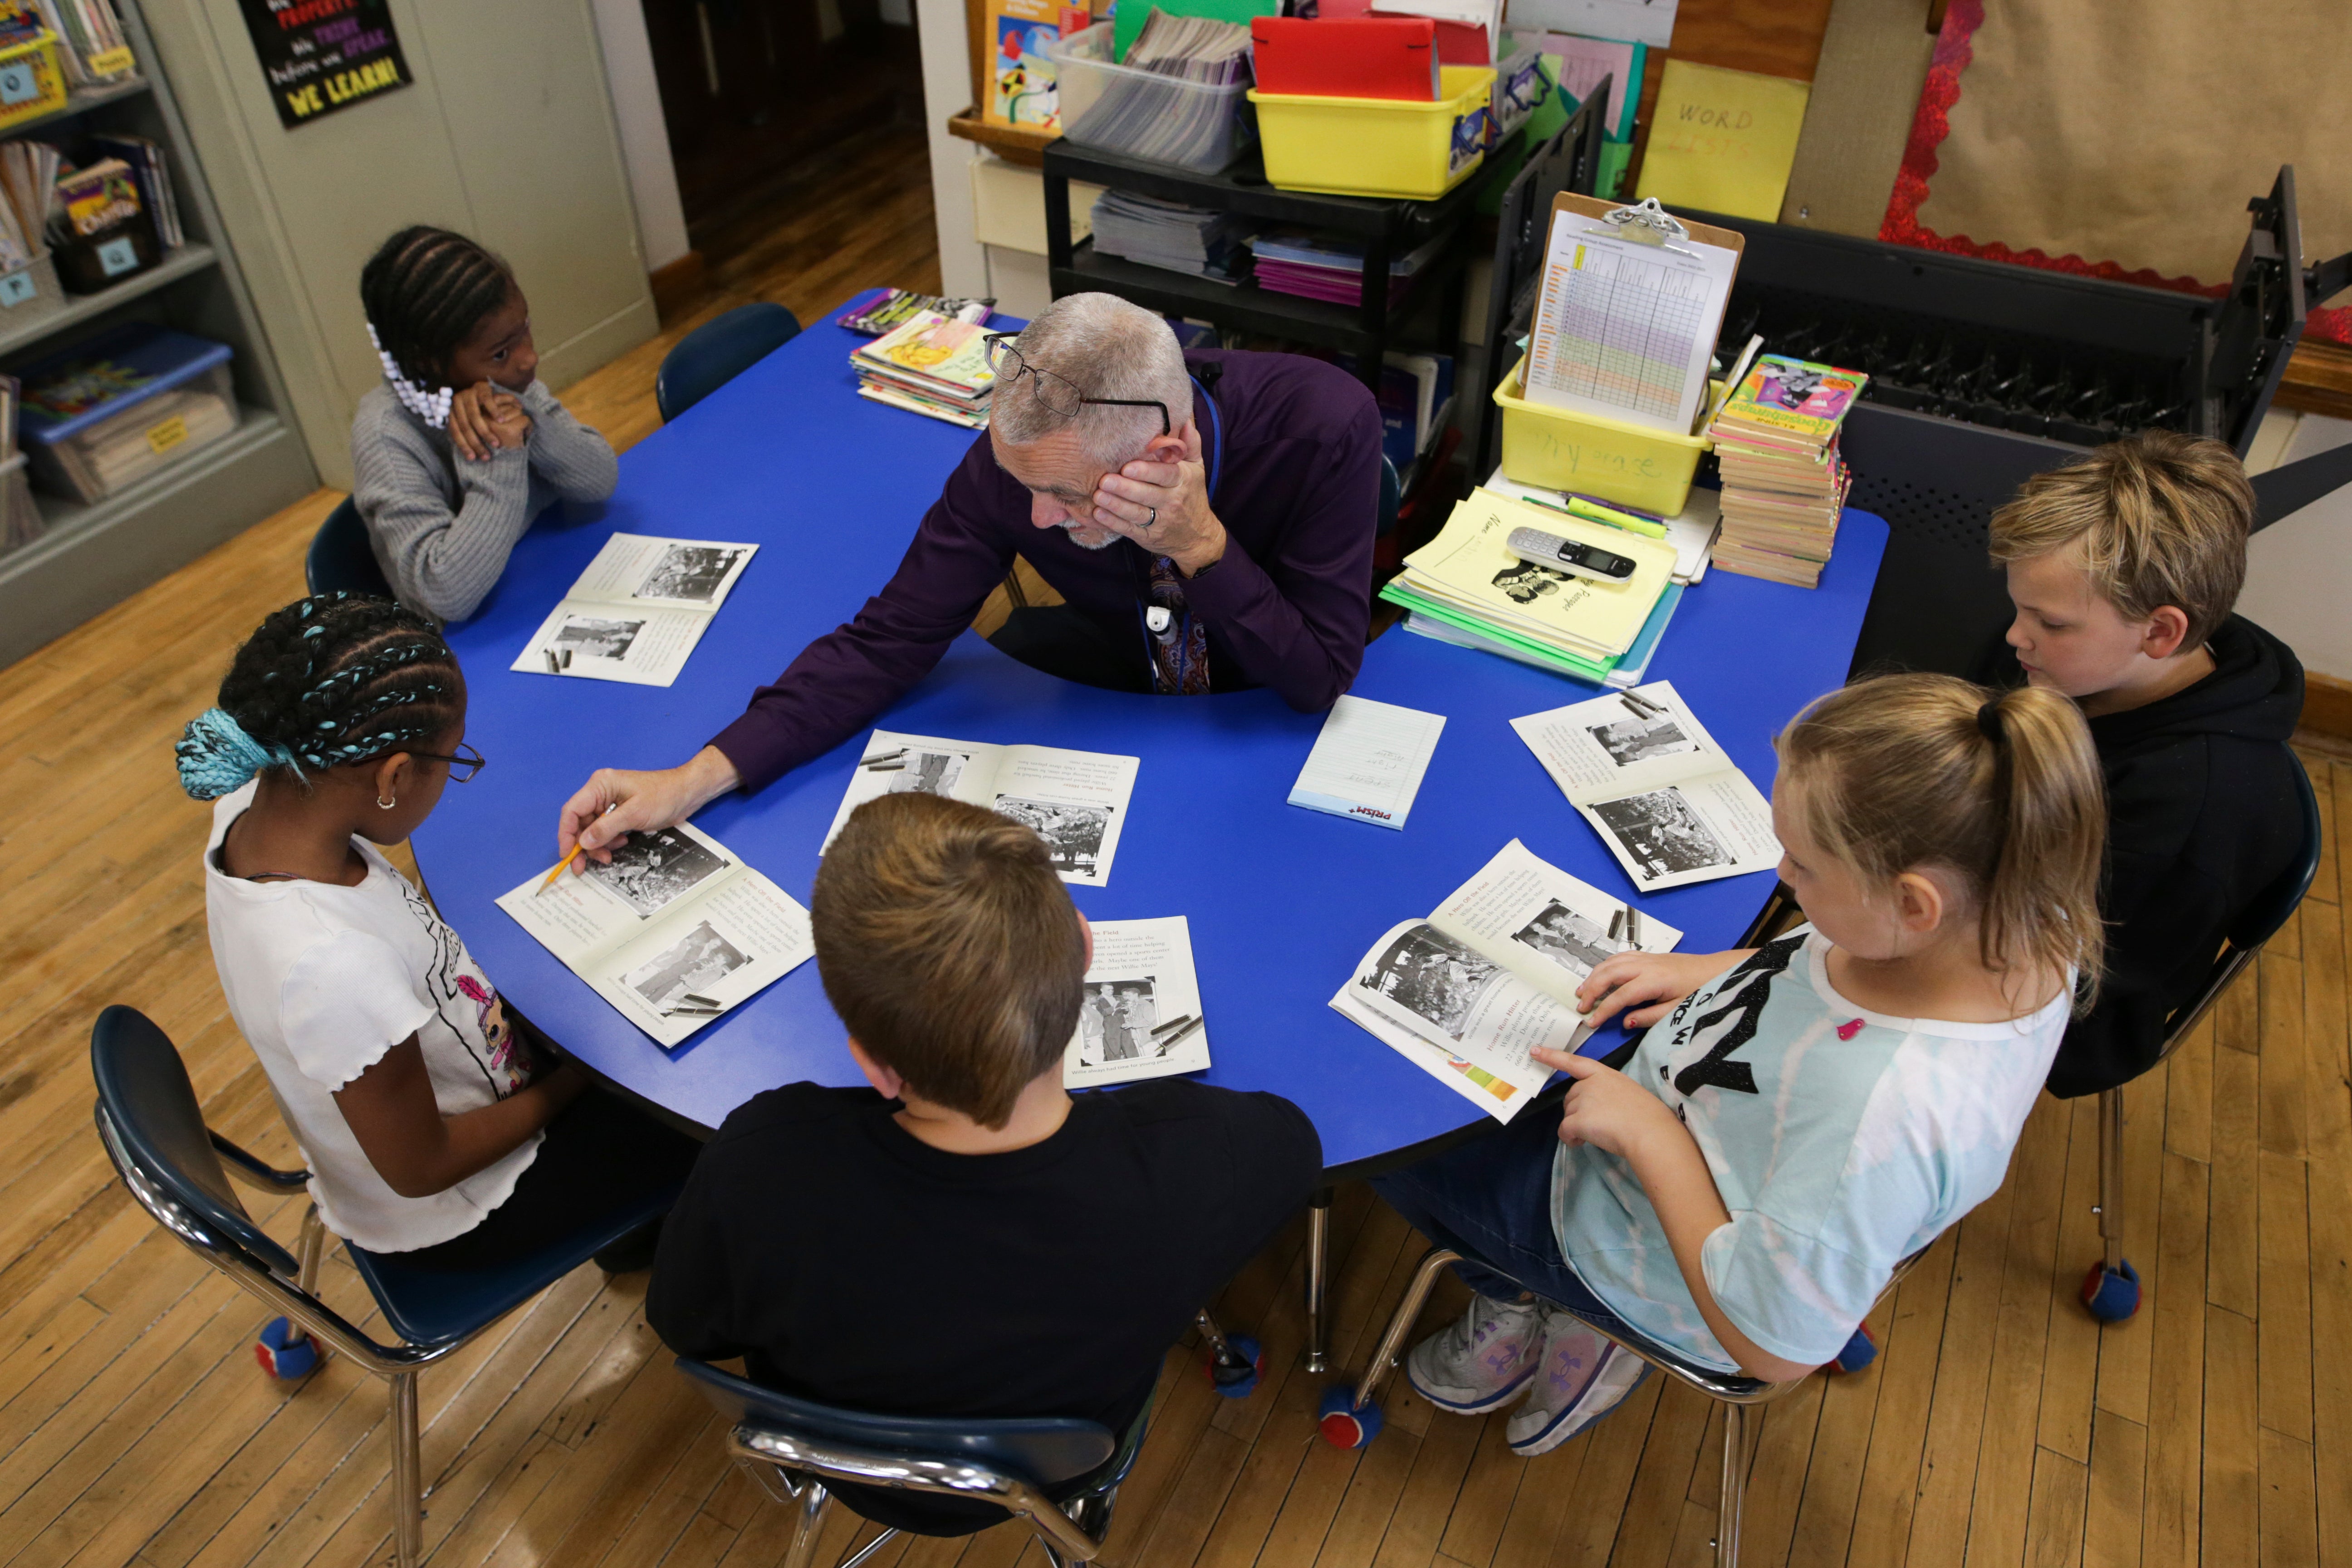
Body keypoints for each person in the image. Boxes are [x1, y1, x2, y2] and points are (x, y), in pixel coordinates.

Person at [1368, 675, 2104, 1456]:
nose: (1782, 874)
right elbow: (1826, 962)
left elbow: (1774, 1350)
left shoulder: (1882, 1119)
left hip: (1643, 1254)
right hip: (1679, 1122)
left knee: (1394, 1151)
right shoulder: (2011, 919)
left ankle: (1552, 1311)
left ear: (1913, 903)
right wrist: (1718, 971)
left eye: (1804, 865)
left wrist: (1650, 1135)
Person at [647, 792, 1322, 1533]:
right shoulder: (1194, 1162)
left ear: (874, 1066)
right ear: (1085, 950)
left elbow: (688, 1326)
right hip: (1051, 1472)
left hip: (841, 1465)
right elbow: (1295, 1142)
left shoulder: (762, 1161)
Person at [552, 292, 1383, 871]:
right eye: (1024, 486)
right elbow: (886, 640)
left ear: (1162, 457)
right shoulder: (1018, 467)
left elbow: (1317, 679)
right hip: (1110, 710)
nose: (1036, 519)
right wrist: (693, 778)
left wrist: (1202, 545)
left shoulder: (1321, 426)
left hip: (1260, 739)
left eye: (1063, 495)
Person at [179, 594, 697, 1269]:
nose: (455, 774)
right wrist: (582, 1074)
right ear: (393, 775)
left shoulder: (256, 812)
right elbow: (424, 1168)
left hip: (479, 1065)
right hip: (468, 1206)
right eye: (454, 760)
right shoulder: (334, 968)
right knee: (706, 1133)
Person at [1981, 431, 2305, 1098]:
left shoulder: (2192, 810)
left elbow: (2072, 978)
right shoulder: (2068, 656)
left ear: (2161, 632)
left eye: (2048, 622)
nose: (2015, 635)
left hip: (2060, 1003)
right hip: (1992, 868)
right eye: (2018, 608)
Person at [352, 225, 618, 622]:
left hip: (544, 572)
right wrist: (499, 454)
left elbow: (600, 480)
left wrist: (531, 424)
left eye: (525, 329)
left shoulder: (505, 388)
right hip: (471, 636)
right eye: (501, 353)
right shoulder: (387, 439)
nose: (529, 359)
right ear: (426, 360)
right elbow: (446, 594)